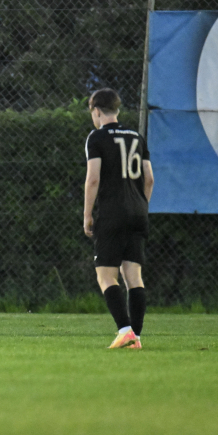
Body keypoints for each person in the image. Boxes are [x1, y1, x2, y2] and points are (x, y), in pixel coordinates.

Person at [83, 88, 154, 349]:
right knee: (133, 275)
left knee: (105, 276)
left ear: (97, 111)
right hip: (138, 212)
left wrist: (87, 214)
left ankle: (125, 330)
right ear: (118, 109)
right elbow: (149, 178)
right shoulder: (137, 137)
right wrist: (141, 205)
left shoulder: (97, 138)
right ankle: (136, 336)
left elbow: (93, 179)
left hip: (112, 213)